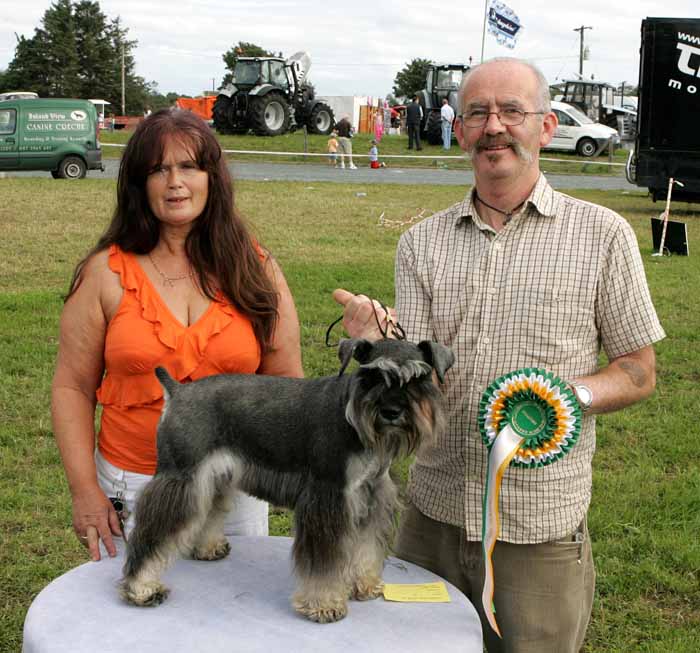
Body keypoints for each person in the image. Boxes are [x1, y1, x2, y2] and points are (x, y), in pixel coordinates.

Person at [332, 57, 664, 653]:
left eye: (512, 111)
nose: (495, 126)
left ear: (546, 127)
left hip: (539, 530)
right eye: (478, 112)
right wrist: (383, 338)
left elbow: (638, 371)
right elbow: (421, 372)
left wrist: (568, 397)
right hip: (429, 517)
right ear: (459, 130)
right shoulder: (421, 242)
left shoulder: (605, 235)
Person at [52, 108, 303, 562]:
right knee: (137, 618)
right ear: (138, 184)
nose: (175, 183)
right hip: (134, 488)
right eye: (158, 169)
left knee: (233, 620)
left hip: (235, 490)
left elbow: (287, 385)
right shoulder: (105, 273)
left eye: (189, 166)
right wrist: (85, 491)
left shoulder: (256, 269)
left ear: (212, 177)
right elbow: (72, 386)